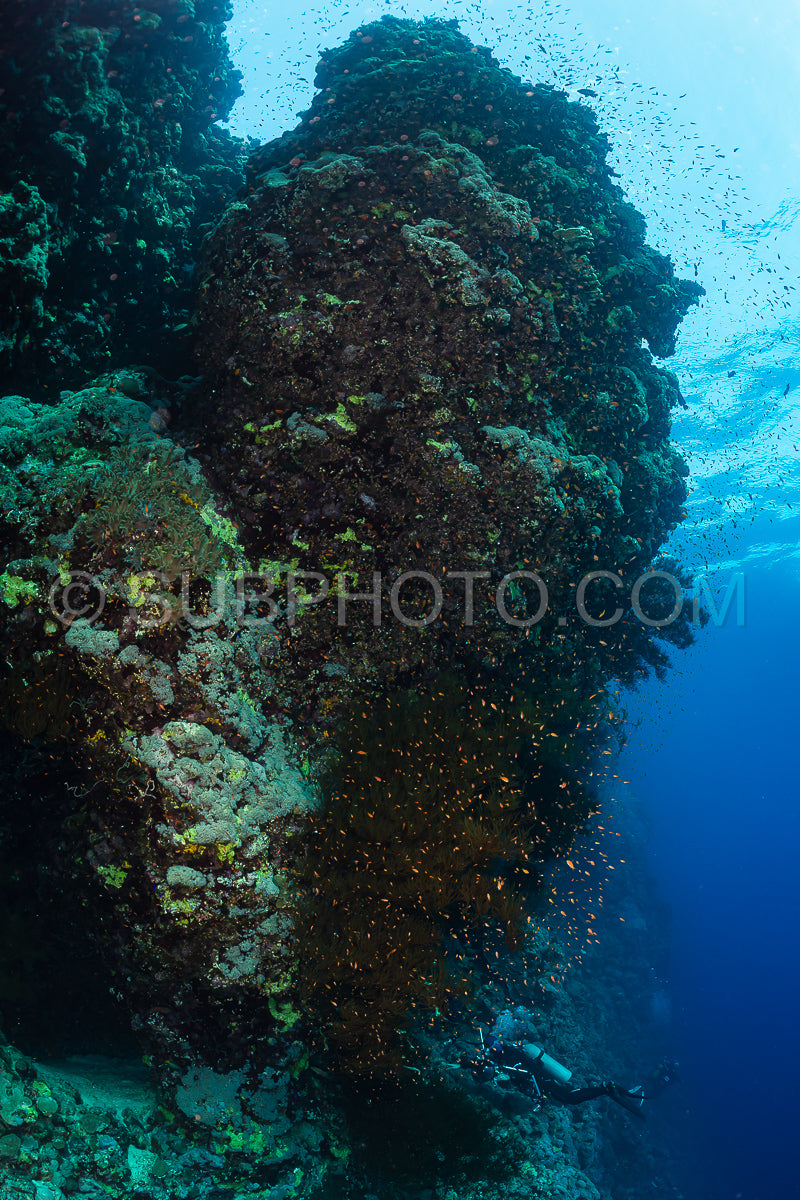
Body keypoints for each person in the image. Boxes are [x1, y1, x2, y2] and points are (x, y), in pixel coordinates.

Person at [458, 1007, 678, 1119]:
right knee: (571, 1096)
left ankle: (606, 1088)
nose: (493, 1048)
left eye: (493, 1045)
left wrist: (540, 1096)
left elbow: (526, 1072)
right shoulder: (507, 1054)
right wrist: (468, 1064)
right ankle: (610, 1090)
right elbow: (506, 1070)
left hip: (544, 1083)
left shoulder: (509, 1055)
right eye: (492, 1046)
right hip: (542, 1081)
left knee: (571, 1098)